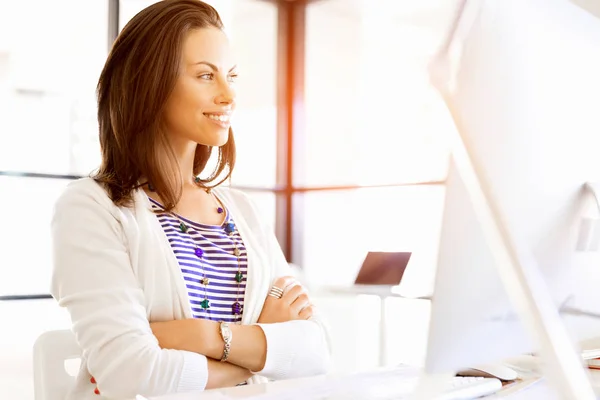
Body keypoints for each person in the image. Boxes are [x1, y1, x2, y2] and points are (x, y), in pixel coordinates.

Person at [49, 1, 331, 398]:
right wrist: (258, 352)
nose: (228, 94)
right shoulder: (90, 208)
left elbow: (316, 351)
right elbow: (133, 375)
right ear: (149, 83)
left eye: (231, 76)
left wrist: (207, 337)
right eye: (205, 76)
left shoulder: (243, 211)